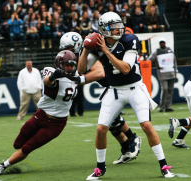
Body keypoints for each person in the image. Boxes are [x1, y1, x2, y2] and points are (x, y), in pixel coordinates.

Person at [78, 12, 174, 180]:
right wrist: (86, 49)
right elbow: (81, 70)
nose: (118, 29)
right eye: (113, 27)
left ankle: (164, 165)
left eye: (118, 25)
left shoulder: (129, 40)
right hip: (114, 91)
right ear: (104, 29)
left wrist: (106, 52)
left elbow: (125, 69)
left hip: (134, 89)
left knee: (146, 125)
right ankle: (100, 168)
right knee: (101, 129)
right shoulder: (97, 43)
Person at [0, 50, 84, 176]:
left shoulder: (77, 77)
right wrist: (54, 76)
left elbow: (95, 75)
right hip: (41, 115)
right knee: (17, 143)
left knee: (27, 148)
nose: (69, 68)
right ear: (59, 64)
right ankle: (11, 158)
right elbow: (47, 81)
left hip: (56, 124)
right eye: (66, 65)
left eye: (71, 65)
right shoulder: (52, 73)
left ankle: (2, 166)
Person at [60, 32, 142, 164]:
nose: (66, 51)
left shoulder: (87, 51)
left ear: (76, 45)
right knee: (110, 124)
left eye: (68, 48)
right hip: (110, 86)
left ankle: (133, 139)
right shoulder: (79, 55)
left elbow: (100, 72)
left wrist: (81, 79)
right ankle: (127, 149)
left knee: (108, 120)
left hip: (116, 85)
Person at [148, 38, 177, 112]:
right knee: (165, 89)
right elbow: (150, 60)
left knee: (170, 90)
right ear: (159, 43)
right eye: (161, 42)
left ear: (165, 42)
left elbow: (174, 62)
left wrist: (175, 72)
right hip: (162, 74)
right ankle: (162, 106)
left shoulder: (170, 51)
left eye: (163, 42)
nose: (162, 44)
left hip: (171, 73)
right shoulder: (156, 52)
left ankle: (168, 106)